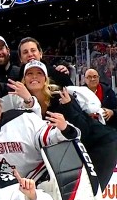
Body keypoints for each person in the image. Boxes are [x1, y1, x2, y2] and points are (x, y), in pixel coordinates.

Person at [22, 60, 117, 188]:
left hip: (100, 144)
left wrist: (68, 107)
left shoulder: (60, 97)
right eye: (30, 73)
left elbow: (84, 130)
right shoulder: (23, 104)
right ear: (24, 79)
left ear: (45, 79)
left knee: (90, 197)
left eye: (39, 73)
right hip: (74, 151)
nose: (34, 76)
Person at [0, 89, 78, 180]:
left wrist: (64, 129)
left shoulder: (22, 118)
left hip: (37, 180)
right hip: (0, 192)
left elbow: (47, 137)